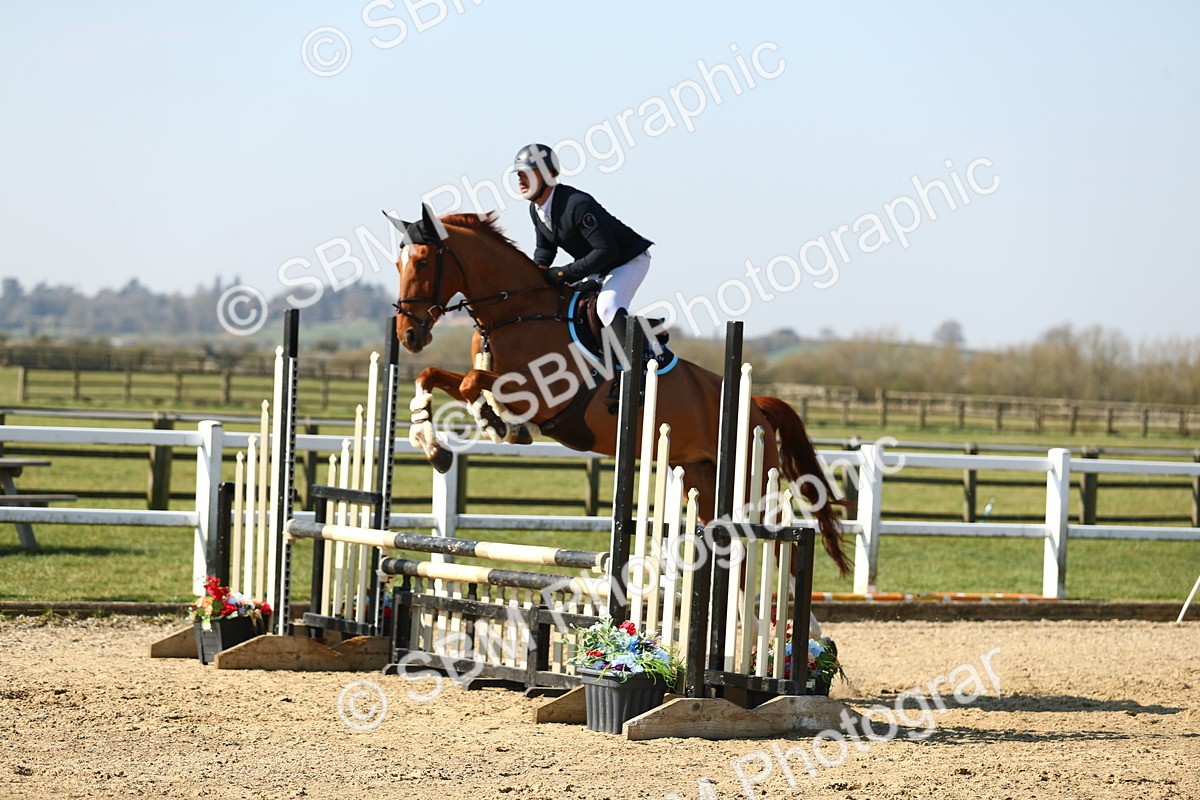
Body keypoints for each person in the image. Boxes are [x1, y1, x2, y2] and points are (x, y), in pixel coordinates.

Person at [513, 143, 652, 352]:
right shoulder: (536, 210)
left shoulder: (576, 204)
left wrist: (563, 273)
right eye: (519, 175)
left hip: (628, 261)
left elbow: (607, 250)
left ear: (548, 174)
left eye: (527, 174)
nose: (520, 180)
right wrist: (532, 275)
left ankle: (643, 363)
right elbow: (545, 250)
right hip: (599, 267)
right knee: (574, 308)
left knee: (606, 307)